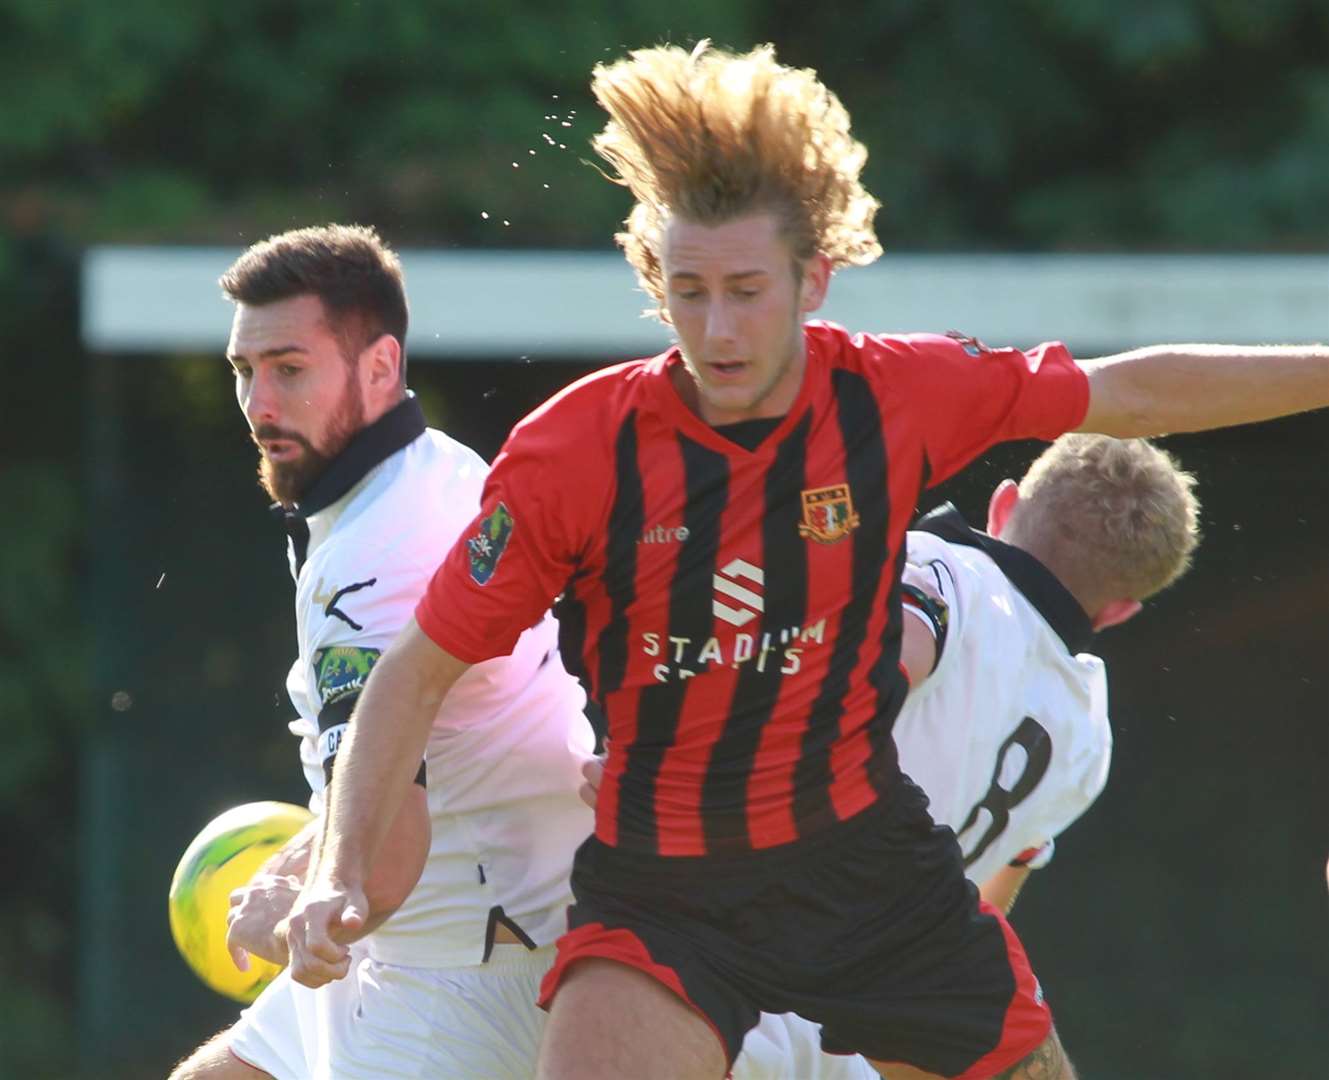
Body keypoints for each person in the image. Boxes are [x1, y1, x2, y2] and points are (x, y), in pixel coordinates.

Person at [284, 43, 1328, 1080]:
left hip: (868, 879)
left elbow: (1129, 392)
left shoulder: (899, 393)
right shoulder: (575, 451)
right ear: (655, 281)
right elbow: (412, 673)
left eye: (747, 288)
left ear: (813, 277)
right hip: (664, 898)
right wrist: (337, 872)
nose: (718, 326)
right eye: (688, 291)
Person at [167, 224, 596, 1079]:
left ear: (379, 367)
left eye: (290, 369)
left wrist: (288, 904)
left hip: (465, 970)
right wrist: (299, 860)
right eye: (244, 371)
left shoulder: (373, 562)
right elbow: (387, 762)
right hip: (478, 925)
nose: (258, 404)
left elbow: (388, 858)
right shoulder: (424, 469)